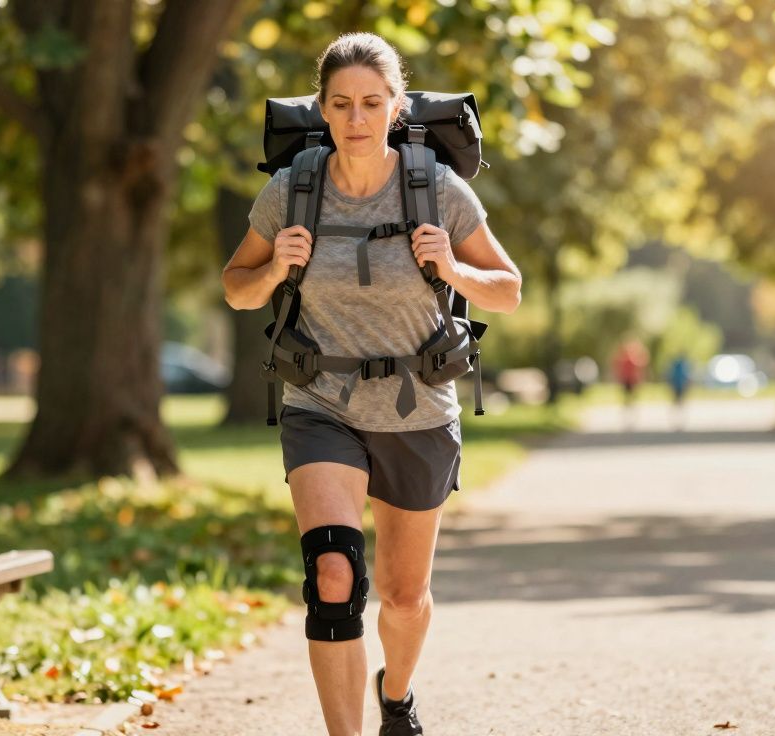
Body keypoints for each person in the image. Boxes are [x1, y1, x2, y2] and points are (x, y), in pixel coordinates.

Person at [221, 32, 522, 736]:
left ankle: (398, 694)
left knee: (404, 595)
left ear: (396, 107)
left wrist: (454, 269)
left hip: (418, 407)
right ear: (322, 110)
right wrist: (270, 272)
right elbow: (236, 288)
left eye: (372, 103)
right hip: (320, 404)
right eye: (342, 104)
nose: (356, 118)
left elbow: (507, 290)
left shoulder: (435, 188)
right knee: (333, 578)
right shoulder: (292, 190)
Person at [667, 353, 691, 430]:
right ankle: (677, 415)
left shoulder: (677, 365)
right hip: (679, 385)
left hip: (677, 385)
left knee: (678, 401)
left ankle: (677, 415)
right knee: (679, 401)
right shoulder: (682, 366)